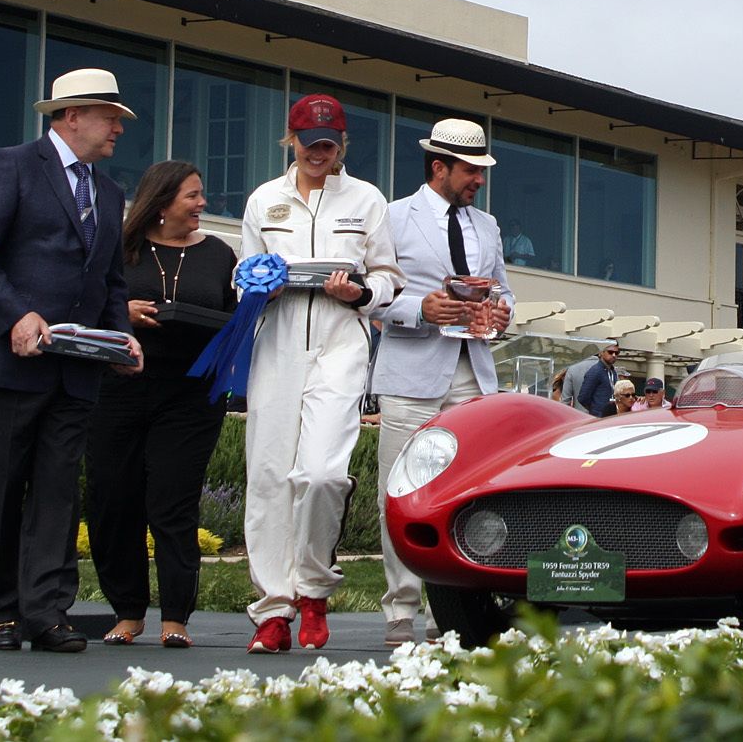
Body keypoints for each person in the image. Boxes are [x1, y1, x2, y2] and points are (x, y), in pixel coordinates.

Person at [0, 68, 145, 655]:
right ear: (70, 116)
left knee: (59, 493)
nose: (118, 129)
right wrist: (15, 315)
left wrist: (120, 338)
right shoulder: (11, 165)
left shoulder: (109, 192)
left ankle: (47, 612)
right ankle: (1, 612)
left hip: (76, 370)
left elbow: (110, 280)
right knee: (0, 489)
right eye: (110, 117)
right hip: (5, 365)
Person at [238, 94, 402, 655]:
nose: (318, 154)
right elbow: (244, 277)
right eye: (309, 144)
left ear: (342, 146)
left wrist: (358, 293)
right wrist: (261, 288)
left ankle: (312, 591)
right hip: (277, 344)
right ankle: (273, 611)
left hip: (340, 344)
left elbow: (387, 279)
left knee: (323, 474)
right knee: (267, 476)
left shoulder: (366, 199)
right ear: (292, 140)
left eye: (329, 146)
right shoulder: (264, 201)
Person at [85, 160, 238, 651]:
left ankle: (175, 615)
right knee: (114, 500)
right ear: (162, 201)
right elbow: (84, 302)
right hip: (118, 390)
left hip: (191, 396)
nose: (202, 205)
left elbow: (236, 318)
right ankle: (127, 613)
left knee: (172, 502)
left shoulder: (219, 254)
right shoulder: (118, 249)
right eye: (193, 196)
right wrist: (120, 313)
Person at [371, 117, 510, 646]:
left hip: (473, 373)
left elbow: (505, 291)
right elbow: (372, 295)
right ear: (440, 167)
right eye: (471, 170)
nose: (479, 180)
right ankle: (400, 609)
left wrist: (500, 314)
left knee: (467, 492)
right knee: (401, 488)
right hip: (411, 374)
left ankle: (450, 607)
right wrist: (420, 308)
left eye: (481, 170)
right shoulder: (392, 218)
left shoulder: (488, 226)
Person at [576, 343, 623, 417]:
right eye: (610, 352)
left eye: (616, 353)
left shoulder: (613, 372)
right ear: (601, 352)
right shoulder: (595, 371)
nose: (614, 355)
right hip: (599, 416)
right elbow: (583, 397)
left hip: (611, 416)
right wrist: (595, 409)